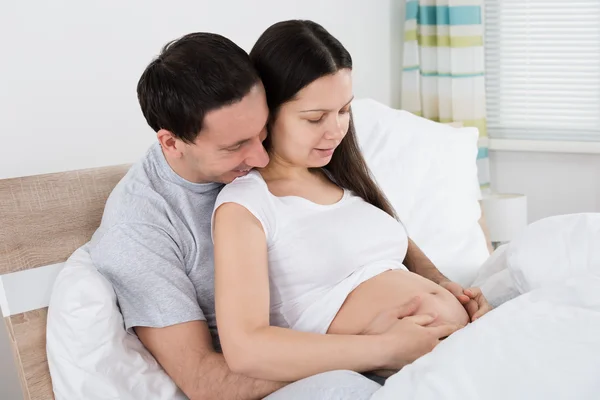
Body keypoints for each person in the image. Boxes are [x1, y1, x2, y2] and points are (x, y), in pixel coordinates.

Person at [87, 30, 485, 400]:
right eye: (238, 145)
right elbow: (206, 379)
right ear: (172, 143)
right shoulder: (142, 230)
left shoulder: (303, 156)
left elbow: (355, 231)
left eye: (262, 132)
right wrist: (382, 349)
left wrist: (440, 285)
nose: (262, 157)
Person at [211, 20, 493, 383]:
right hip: (405, 372)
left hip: (462, 344)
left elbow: (393, 249)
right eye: (315, 118)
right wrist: (389, 348)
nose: (336, 131)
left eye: (344, 110)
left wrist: (448, 287)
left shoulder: (341, 177)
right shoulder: (247, 206)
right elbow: (246, 348)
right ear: (268, 111)